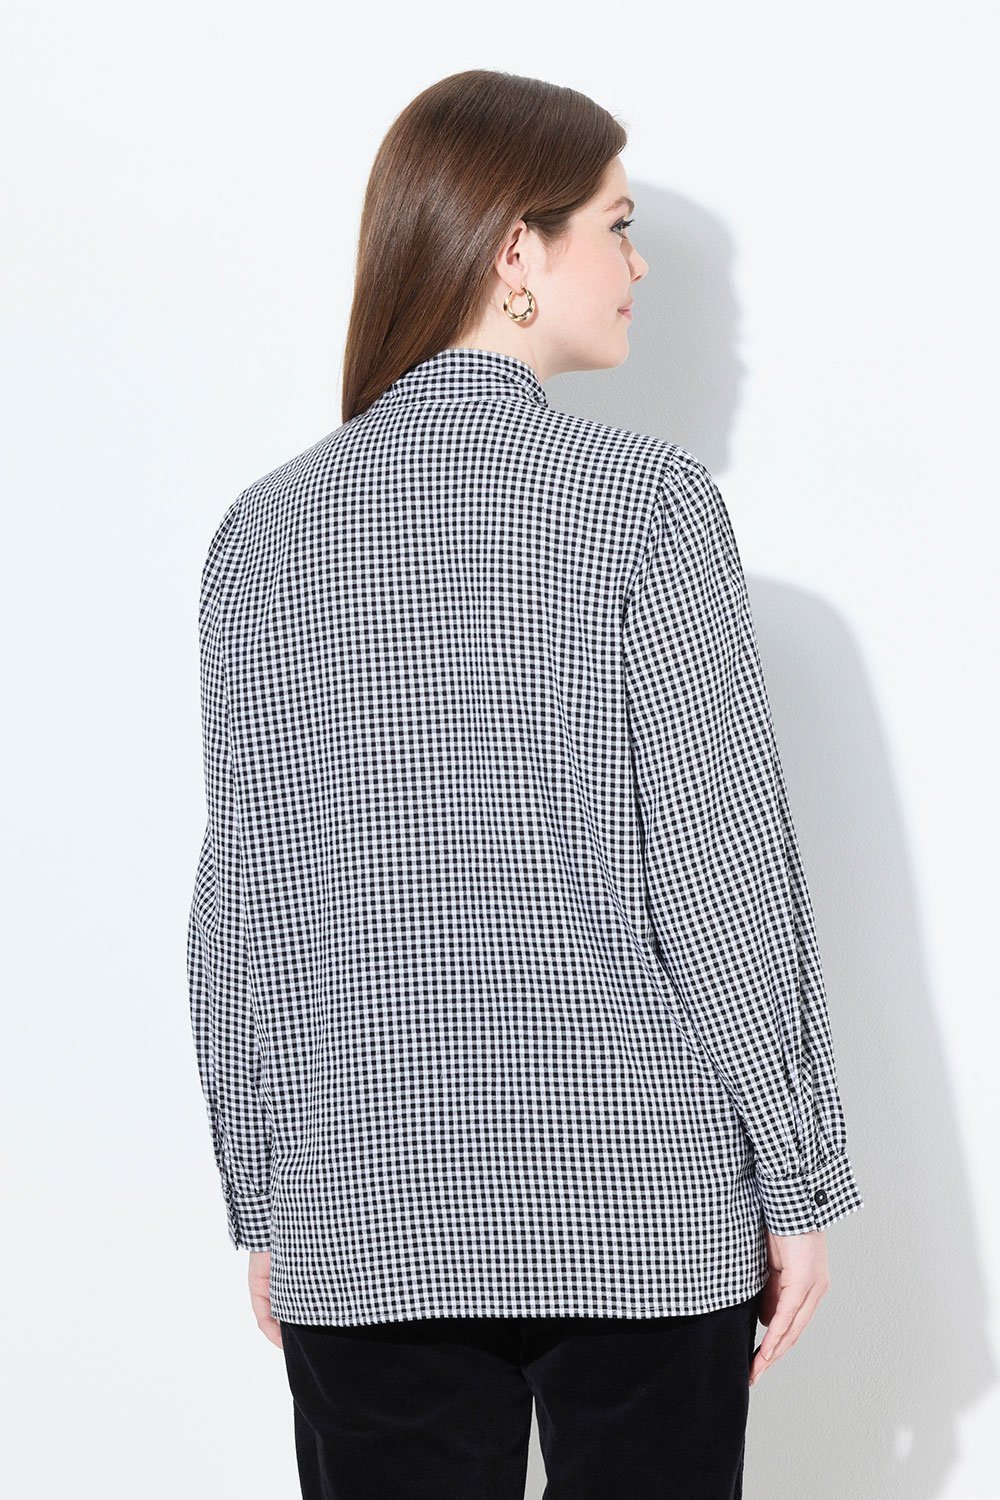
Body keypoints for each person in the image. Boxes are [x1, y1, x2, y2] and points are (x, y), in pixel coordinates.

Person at [187, 69, 865, 1499]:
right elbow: (722, 877)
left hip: (360, 1202)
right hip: (641, 1202)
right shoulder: (652, 509)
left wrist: (267, 1192)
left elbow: (244, 906)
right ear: (516, 250)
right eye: (617, 227)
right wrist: (798, 1178)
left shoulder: (265, 533)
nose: (638, 269)